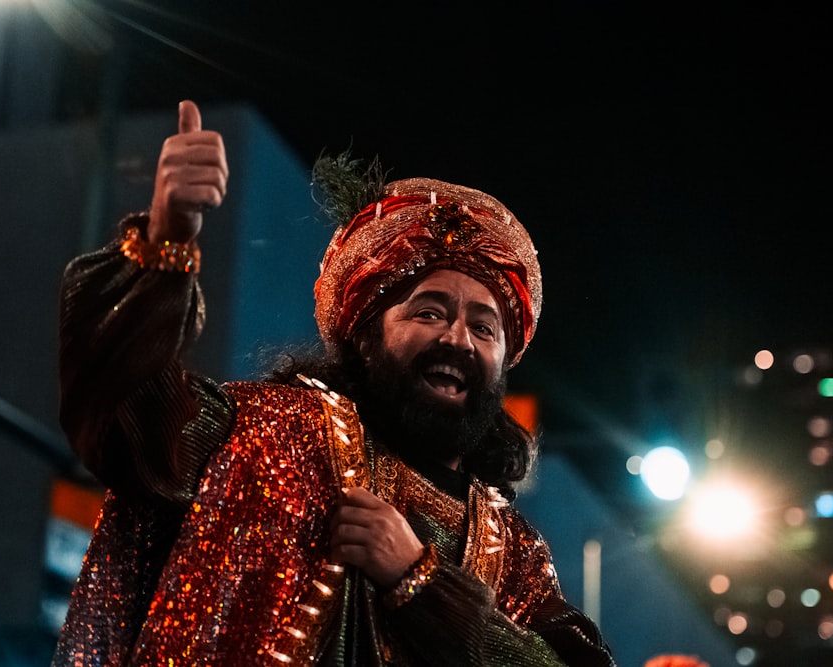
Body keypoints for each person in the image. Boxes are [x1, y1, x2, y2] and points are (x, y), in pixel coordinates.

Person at [52, 100, 616, 666]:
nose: (458, 340)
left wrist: (420, 581)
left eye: (485, 328)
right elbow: (123, 412)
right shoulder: (268, 431)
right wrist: (164, 239)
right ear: (364, 336)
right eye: (429, 312)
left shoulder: (514, 553)